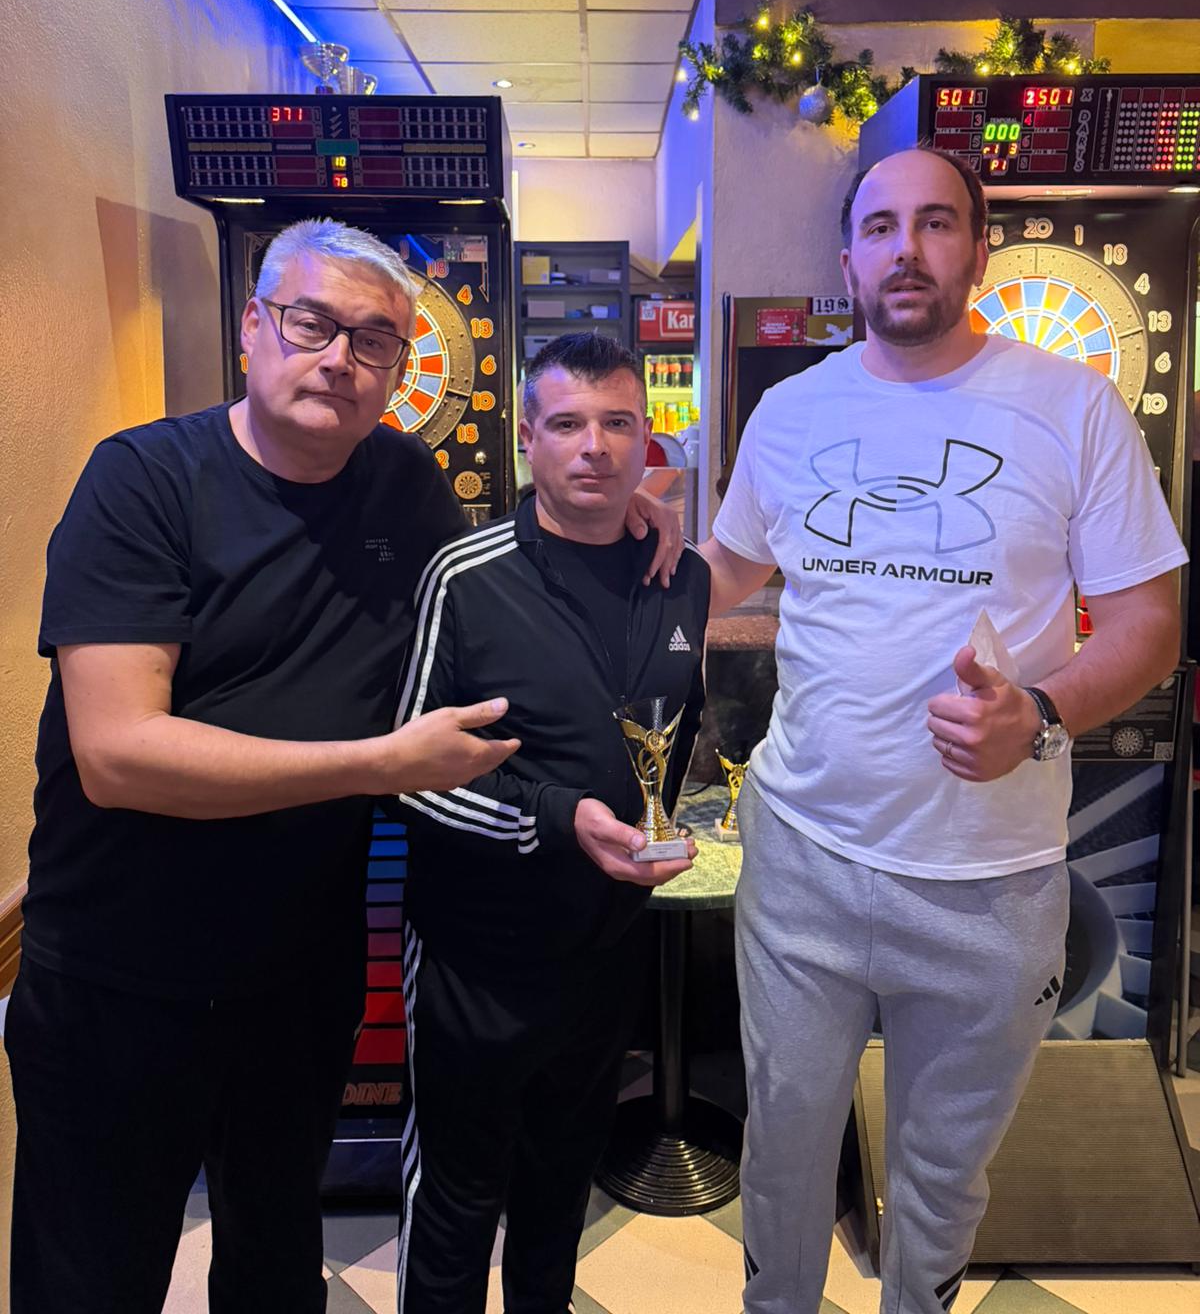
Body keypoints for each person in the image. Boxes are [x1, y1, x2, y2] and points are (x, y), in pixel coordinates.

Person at [6, 222, 680, 1314]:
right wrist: (380, 762)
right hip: (121, 968)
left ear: (401, 366)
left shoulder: (403, 484)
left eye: (374, 340)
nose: (338, 359)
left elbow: (495, 580)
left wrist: (610, 510)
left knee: (277, 1266)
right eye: (311, 323)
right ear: (251, 326)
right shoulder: (144, 478)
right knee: (91, 1279)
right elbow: (117, 754)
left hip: (299, 965)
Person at [700, 148, 1186, 1314]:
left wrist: (1043, 711)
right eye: (880, 227)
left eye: (934, 223)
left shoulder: (1073, 407)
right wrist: (606, 553)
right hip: (802, 862)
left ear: (977, 248)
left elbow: (1150, 625)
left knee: (942, 1176)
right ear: (849, 259)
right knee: (782, 1150)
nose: (905, 249)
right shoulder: (790, 410)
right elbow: (725, 574)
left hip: (990, 885)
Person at [392, 332, 710, 1314]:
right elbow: (406, 777)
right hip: (474, 959)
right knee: (454, 1205)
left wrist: (662, 825)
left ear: (649, 440)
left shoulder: (683, 575)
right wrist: (555, 818)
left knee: (560, 1189)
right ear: (527, 438)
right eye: (567, 423)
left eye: (618, 423)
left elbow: (674, 740)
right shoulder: (466, 576)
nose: (595, 447)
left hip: (605, 948)